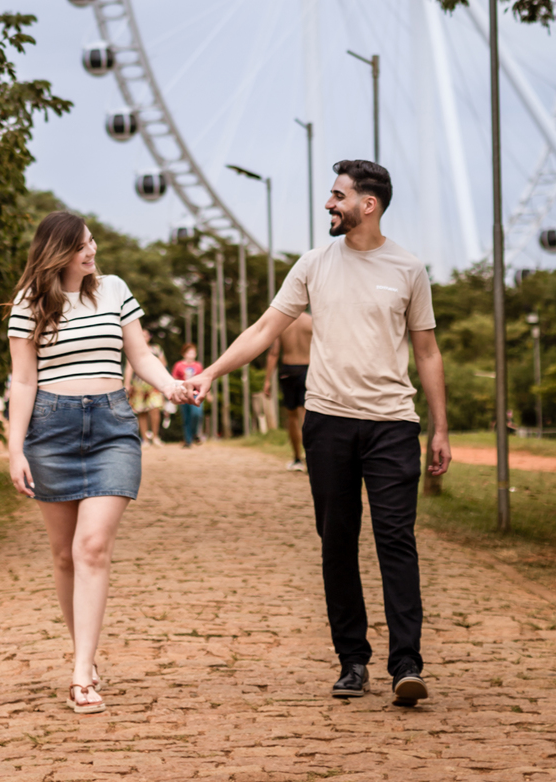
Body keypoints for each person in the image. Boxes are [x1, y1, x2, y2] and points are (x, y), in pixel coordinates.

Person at [188, 159, 450, 707]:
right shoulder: (313, 265)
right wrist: (211, 371)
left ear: (367, 205)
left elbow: (426, 350)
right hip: (328, 422)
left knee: (395, 541)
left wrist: (440, 428)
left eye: (337, 196)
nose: (329, 205)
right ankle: (352, 661)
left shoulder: (408, 269)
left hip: (392, 425)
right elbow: (265, 328)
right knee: (337, 542)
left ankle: (407, 665)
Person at [7, 209, 189, 714]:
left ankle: (82, 673)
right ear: (58, 251)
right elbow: (22, 380)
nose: (92, 252)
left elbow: (142, 355)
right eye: (83, 245)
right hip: (51, 431)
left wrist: (170, 386)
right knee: (64, 554)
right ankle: (82, 652)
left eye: (92, 243)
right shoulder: (28, 304)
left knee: (91, 547)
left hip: (112, 427)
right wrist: (15, 449)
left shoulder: (112, 289)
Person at [265, 310, 313, 470]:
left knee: (292, 418)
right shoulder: (311, 321)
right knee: (308, 416)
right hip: (309, 369)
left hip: (288, 371)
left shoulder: (283, 322)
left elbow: (274, 353)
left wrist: (267, 380)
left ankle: (297, 458)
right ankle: (311, 458)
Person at [126, 342, 167, 444]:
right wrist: (127, 383)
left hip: (154, 384)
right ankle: (145, 439)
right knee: (141, 411)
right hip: (139, 386)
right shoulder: (133, 349)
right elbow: (129, 368)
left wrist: (165, 381)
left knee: (155, 409)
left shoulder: (156, 349)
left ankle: (155, 437)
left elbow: (163, 365)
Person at [172, 344, 205, 448]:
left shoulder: (198, 366)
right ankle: (188, 441)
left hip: (196, 393)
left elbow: (203, 380)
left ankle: (195, 433)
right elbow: (174, 379)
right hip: (183, 394)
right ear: (184, 354)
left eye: (194, 352)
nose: (192, 355)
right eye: (190, 352)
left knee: (197, 414)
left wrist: (207, 393)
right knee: (186, 418)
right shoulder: (178, 365)